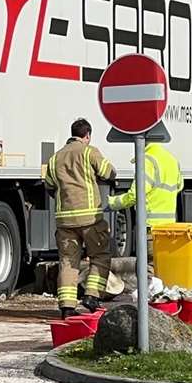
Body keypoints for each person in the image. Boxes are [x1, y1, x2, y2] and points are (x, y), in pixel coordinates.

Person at [42, 117, 117, 317]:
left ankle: (67, 307)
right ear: (87, 135)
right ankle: (92, 296)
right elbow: (109, 172)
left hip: (64, 221)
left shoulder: (55, 158)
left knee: (68, 262)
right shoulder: (88, 152)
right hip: (90, 219)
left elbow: (49, 186)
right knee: (100, 256)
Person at [109, 139, 184, 278]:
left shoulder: (148, 160)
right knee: (164, 272)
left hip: (151, 230)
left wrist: (112, 203)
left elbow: (135, 195)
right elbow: (179, 186)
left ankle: (150, 300)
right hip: (169, 231)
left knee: (148, 273)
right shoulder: (171, 159)